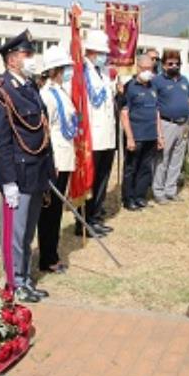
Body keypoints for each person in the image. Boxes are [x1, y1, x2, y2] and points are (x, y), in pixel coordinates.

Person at [0, 29, 54, 303]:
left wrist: (50, 168)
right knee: (16, 233)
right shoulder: (0, 93)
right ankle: (15, 283)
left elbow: (42, 129)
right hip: (18, 174)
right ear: (12, 59)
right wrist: (8, 181)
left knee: (27, 233)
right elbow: (0, 142)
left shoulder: (29, 87)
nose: (32, 59)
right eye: (28, 54)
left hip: (37, 171)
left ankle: (24, 278)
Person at [38, 46, 77, 274]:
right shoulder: (46, 95)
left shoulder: (61, 92)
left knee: (56, 212)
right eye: (65, 68)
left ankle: (52, 253)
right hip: (55, 162)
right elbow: (45, 132)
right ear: (55, 70)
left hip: (65, 157)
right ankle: (48, 258)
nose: (68, 71)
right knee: (49, 213)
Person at [75, 29, 116, 237]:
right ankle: (84, 221)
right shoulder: (81, 72)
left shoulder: (104, 72)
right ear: (91, 51)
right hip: (92, 137)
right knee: (89, 180)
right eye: (101, 52)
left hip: (107, 136)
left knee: (102, 179)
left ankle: (96, 216)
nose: (104, 56)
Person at [151, 50, 189, 204]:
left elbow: (187, 102)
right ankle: (158, 191)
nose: (174, 66)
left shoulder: (183, 81)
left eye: (177, 63)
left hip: (184, 124)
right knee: (163, 158)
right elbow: (154, 106)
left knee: (177, 159)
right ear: (163, 64)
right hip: (166, 123)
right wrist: (159, 131)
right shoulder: (158, 81)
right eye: (170, 63)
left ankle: (171, 189)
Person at [120, 54, 160, 211]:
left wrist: (159, 134)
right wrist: (129, 137)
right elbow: (124, 113)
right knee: (131, 167)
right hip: (135, 135)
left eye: (151, 69)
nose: (148, 72)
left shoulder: (153, 85)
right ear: (138, 68)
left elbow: (157, 111)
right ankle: (128, 198)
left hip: (150, 134)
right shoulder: (129, 86)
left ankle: (140, 195)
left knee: (145, 167)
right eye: (145, 69)